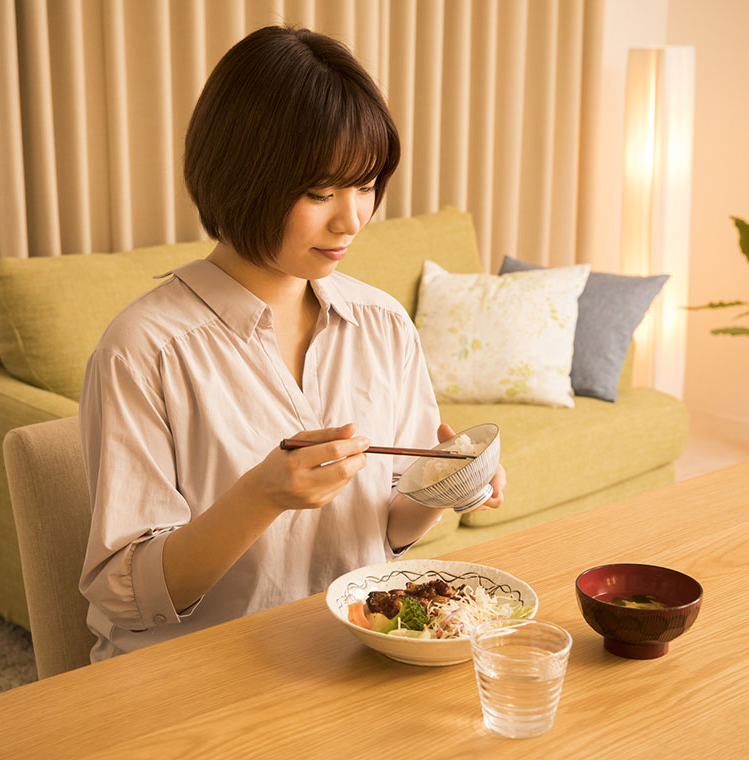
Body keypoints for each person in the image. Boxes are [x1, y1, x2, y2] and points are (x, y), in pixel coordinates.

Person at [78, 25, 506, 662]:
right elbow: (130, 596)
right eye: (320, 192)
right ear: (240, 175)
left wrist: (440, 490)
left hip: (347, 656)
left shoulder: (384, 324)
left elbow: (383, 535)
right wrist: (261, 496)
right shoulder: (145, 350)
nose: (352, 219)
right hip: (195, 680)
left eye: (365, 186)